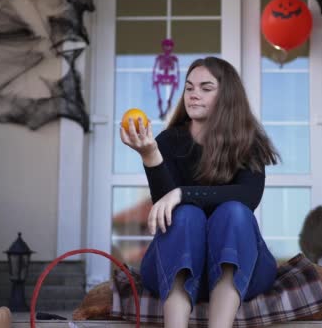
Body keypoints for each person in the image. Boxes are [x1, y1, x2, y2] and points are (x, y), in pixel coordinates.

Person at [120, 56, 280, 327]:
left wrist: (184, 192)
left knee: (234, 212)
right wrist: (150, 155)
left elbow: (248, 197)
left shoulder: (248, 142)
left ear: (227, 96)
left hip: (238, 266)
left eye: (206, 88)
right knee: (184, 216)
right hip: (177, 264)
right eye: (189, 87)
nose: (193, 95)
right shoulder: (167, 142)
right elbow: (165, 212)